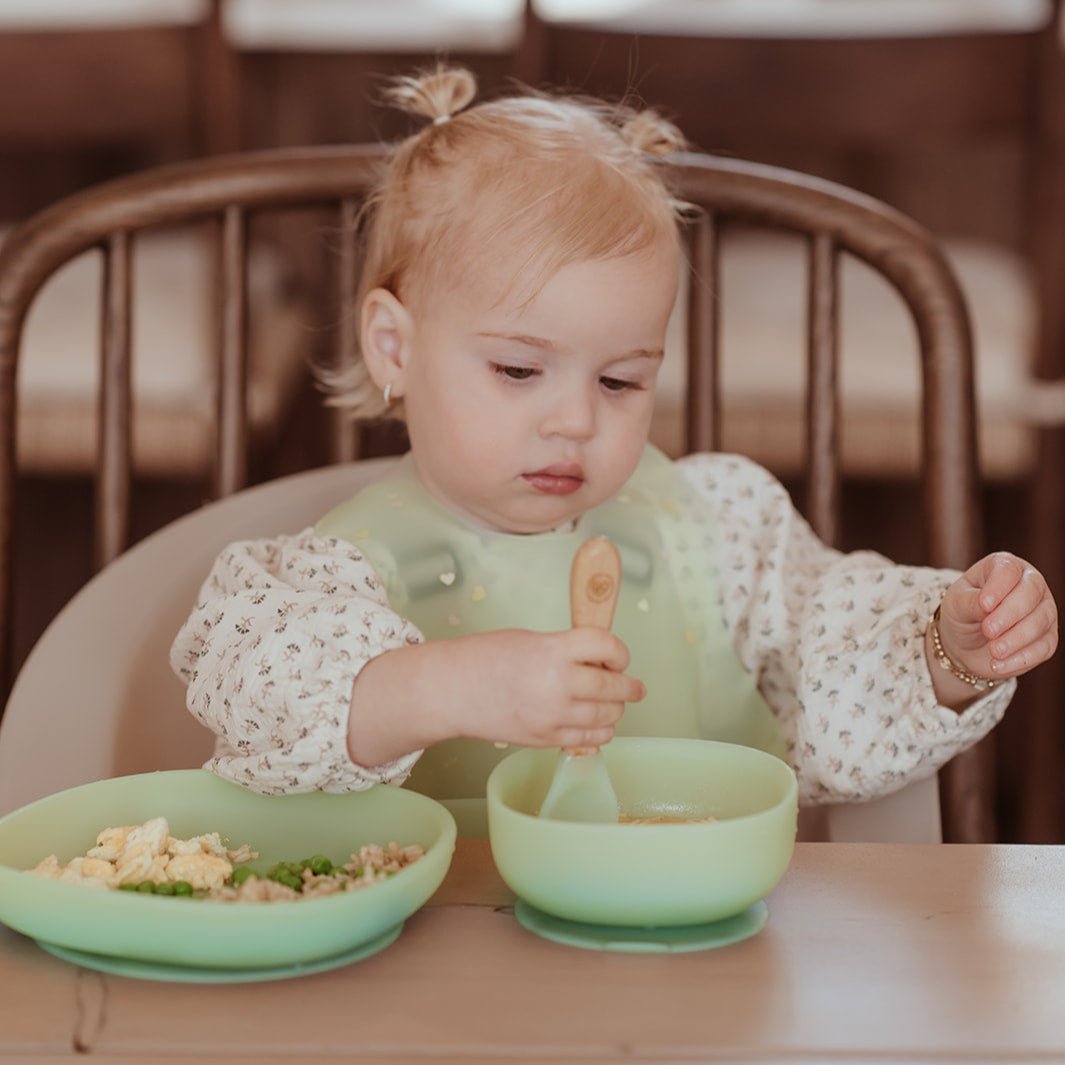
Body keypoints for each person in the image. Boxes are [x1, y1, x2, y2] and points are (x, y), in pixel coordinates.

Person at [170, 66, 1057, 835]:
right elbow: (257, 701)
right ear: (394, 348)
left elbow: (828, 680)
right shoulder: (342, 573)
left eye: (620, 381)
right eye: (519, 369)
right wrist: (441, 688)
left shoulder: (709, 529)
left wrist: (947, 647)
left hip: (686, 954)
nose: (574, 422)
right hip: (449, 977)